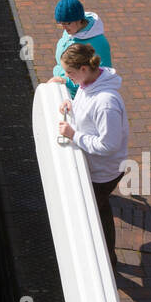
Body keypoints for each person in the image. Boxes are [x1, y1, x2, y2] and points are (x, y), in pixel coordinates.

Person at [57, 42, 128, 271]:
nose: (67, 77)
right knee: (98, 209)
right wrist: (72, 105)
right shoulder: (89, 83)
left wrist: (74, 135)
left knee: (98, 212)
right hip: (97, 165)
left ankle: (108, 260)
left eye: (69, 72)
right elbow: (86, 108)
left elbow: (108, 144)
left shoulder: (107, 103)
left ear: (84, 69)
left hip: (103, 171)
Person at [50, 0, 112, 99]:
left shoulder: (99, 43)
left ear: (79, 20)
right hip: (63, 90)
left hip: (80, 98)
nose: (64, 28)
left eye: (67, 23)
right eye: (61, 24)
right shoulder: (71, 31)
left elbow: (100, 78)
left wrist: (64, 80)